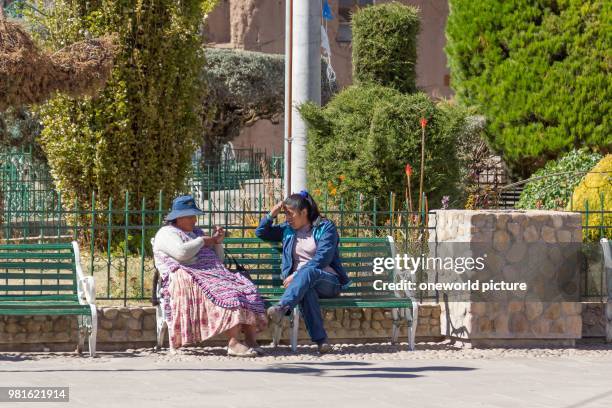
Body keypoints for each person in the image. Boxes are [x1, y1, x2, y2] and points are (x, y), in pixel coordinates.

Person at [153, 195, 267, 357]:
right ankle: (233, 343)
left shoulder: (197, 233)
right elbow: (181, 253)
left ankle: (250, 339)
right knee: (228, 293)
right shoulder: (166, 233)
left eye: (195, 216)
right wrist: (202, 241)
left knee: (246, 288)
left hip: (213, 273)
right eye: (191, 216)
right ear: (178, 218)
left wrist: (217, 242)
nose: (195, 220)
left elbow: (217, 260)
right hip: (189, 277)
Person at [255, 190, 350, 354]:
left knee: (308, 274)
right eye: (285, 214)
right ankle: (322, 341)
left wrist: (296, 274)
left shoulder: (325, 227)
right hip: (301, 285)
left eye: (290, 214)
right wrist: (272, 213)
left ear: (304, 212)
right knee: (307, 290)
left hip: (328, 281)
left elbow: (323, 259)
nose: (287, 218)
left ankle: (282, 307)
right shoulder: (288, 230)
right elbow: (261, 232)